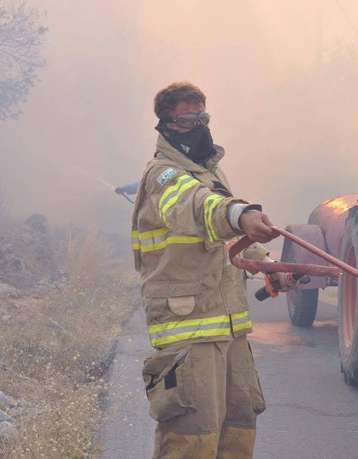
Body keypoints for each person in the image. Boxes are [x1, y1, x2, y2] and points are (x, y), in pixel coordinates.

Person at [131, 81, 289, 458]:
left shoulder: (208, 174)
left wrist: (267, 263)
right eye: (188, 119)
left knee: (238, 427)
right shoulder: (165, 176)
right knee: (192, 436)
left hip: (229, 327)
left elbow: (226, 238)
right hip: (190, 329)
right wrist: (238, 211)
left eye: (204, 117)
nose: (200, 126)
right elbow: (196, 206)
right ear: (166, 126)